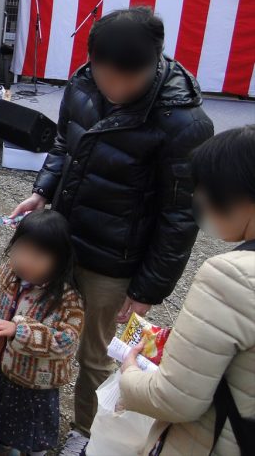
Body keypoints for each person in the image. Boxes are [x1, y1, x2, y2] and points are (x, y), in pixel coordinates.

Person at [8, 6, 214, 455]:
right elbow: (65, 142)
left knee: (97, 354)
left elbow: (180, 216)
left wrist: (147, 289)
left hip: (116, 259)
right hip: (64, 239)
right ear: (91, 62)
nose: (114, 88)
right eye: (106, 76)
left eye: (127, 80)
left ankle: (86, 431)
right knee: (44, 329)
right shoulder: (82, 85)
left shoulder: (184, 122)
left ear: (154, 64)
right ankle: (27, 414)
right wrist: (43, 191)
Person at [119, 125, 255, 456]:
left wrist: (129, 374)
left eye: (205, 189)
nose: (200, 201)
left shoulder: (231, 276)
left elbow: (175, 398)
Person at [0, 209, 84, 456]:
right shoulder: (12, 274)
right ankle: (2, 445)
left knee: (29, 431)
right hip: (2, 369)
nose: (25, 261)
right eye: (20, 250)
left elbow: (66, 342)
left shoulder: (67, 299)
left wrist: (19, 331)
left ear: (59, 259)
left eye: (38, 256)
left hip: (34, 385)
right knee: (1, 422)